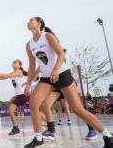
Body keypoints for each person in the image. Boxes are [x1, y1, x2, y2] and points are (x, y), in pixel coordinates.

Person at [24, 17, 113, 148]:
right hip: (46, 78)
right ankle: (38, 138)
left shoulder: (47, 36)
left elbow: (60, 54)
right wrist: (28, 83)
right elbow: (32, 66)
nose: (28, 22)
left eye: (31, 20)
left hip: (62, 74)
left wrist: (55, 71)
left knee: (77, 109)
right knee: (33, 104)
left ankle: (107, 136)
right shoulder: (29, 44)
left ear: (39, 23)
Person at [0, 59, 29, 135]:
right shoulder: (12, 73)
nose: (14, 63)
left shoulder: (19, 71)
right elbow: (5, 77)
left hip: (24, 95)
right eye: (13, 62)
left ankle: (50, 122)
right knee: (10, 110)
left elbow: (8, 76)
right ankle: (15, 128)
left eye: (16, 62)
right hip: (19, 96)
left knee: (36, 112)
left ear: (20, 65)